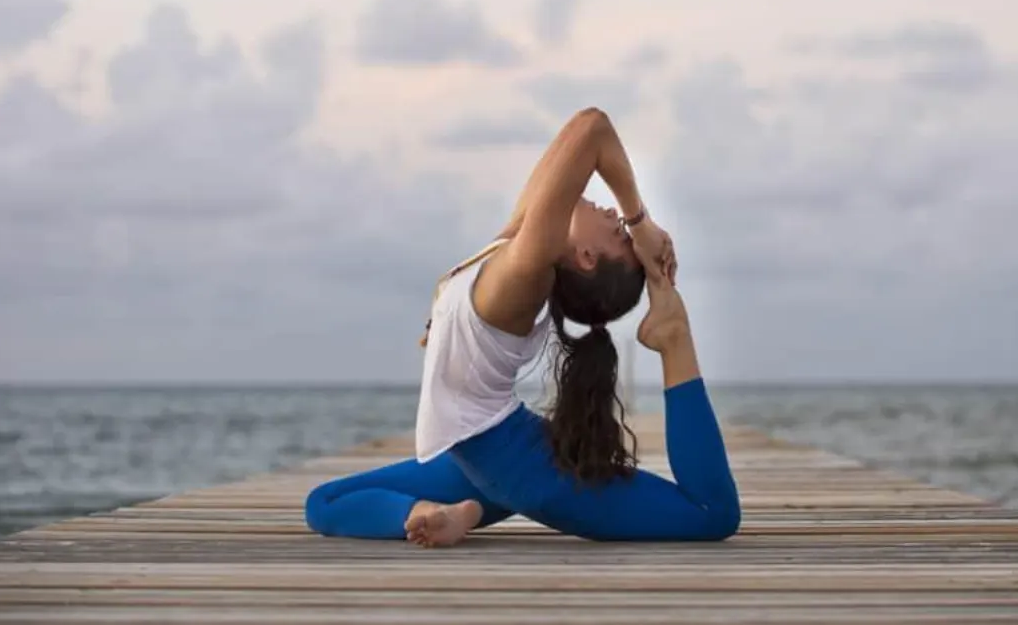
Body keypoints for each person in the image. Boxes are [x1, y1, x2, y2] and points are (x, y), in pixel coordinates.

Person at [304, 107, 740, 545]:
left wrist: (640, 222)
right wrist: (637, 228)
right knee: (323, 502)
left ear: (586, 257)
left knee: (712, 514)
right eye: (622, 225)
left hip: (520, 469)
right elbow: (580, 134)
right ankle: (432, 514)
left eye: (618, 234)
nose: (616, 216)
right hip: (483, 454)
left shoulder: (525, 272)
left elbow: (593, 130)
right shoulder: (514, 242)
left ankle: (673, 335)